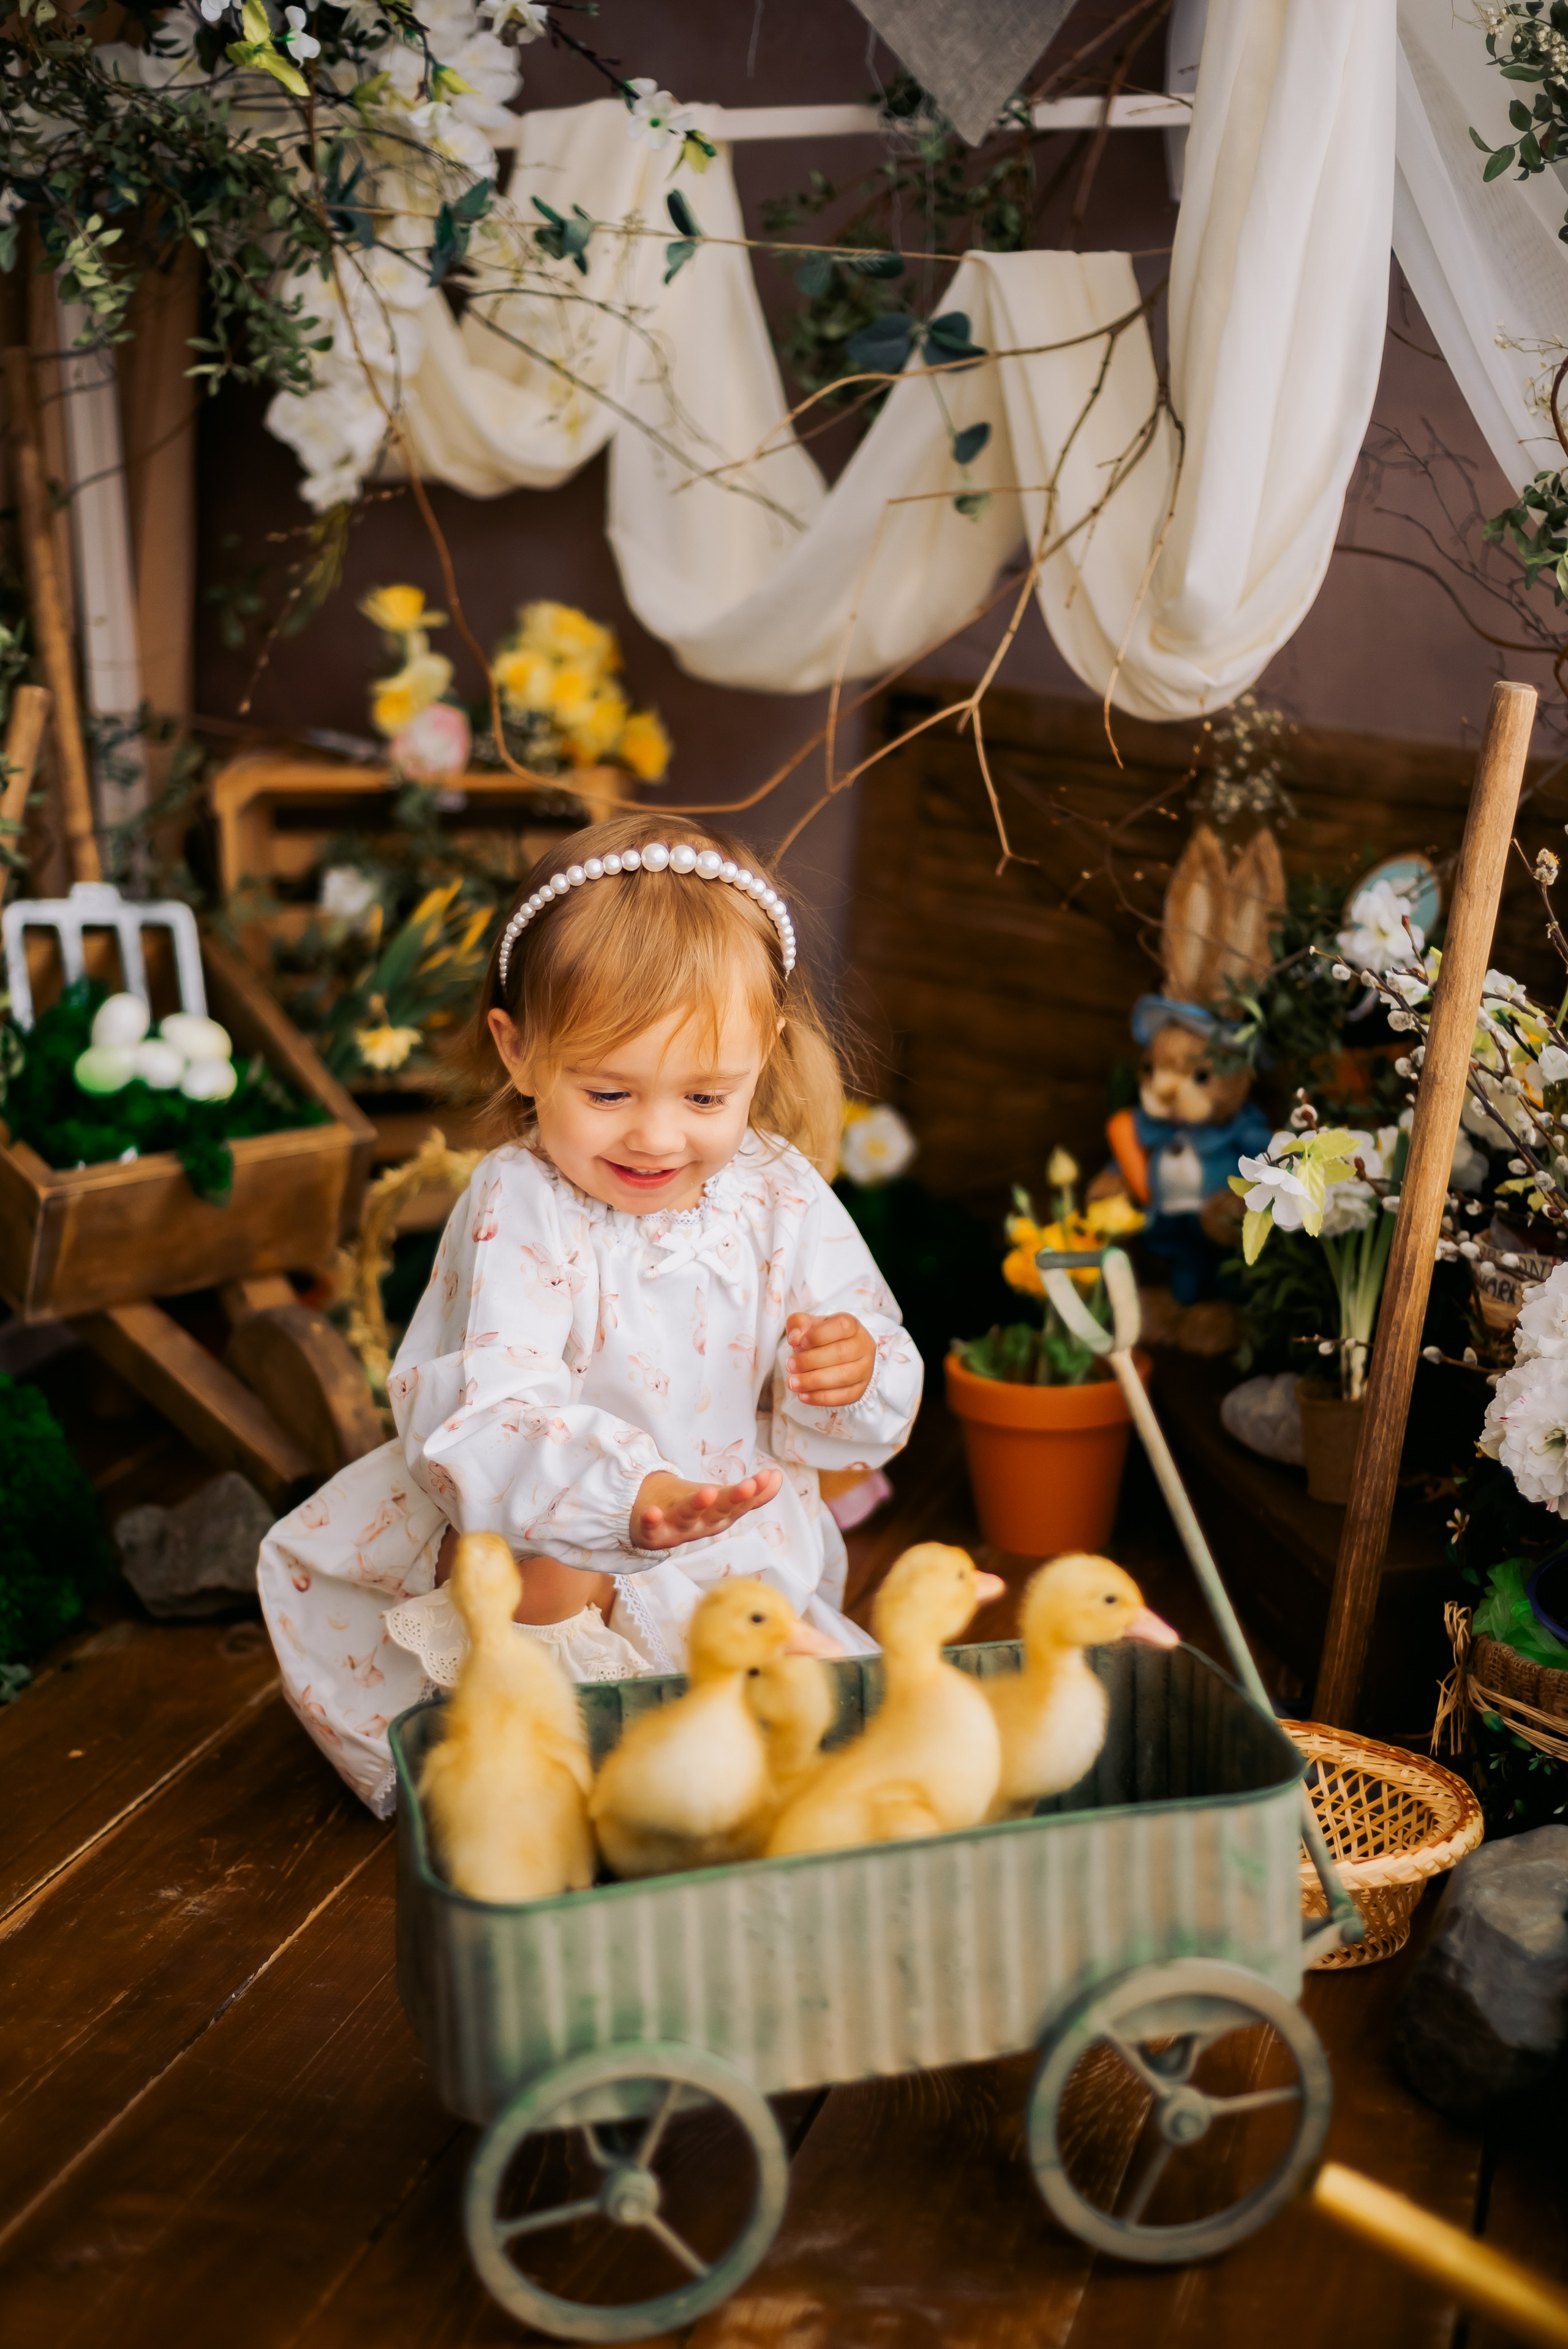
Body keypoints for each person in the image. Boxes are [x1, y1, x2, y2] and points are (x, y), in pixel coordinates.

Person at [257, 814, 924, 1816]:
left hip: (729, 1557)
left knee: (793, 1743)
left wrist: (852, 1373)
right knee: (551, 1562)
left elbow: (870, 1371)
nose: (657, 1135)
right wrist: (630, 1493)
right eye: (608, 1090)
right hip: (552, 1533)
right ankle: (547, 1763)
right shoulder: (519, 1200)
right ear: (518, 1051)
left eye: (707, 1094)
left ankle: (694, 1760)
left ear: (764, 1053)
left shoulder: (780, 1191)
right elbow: (490, 1410)